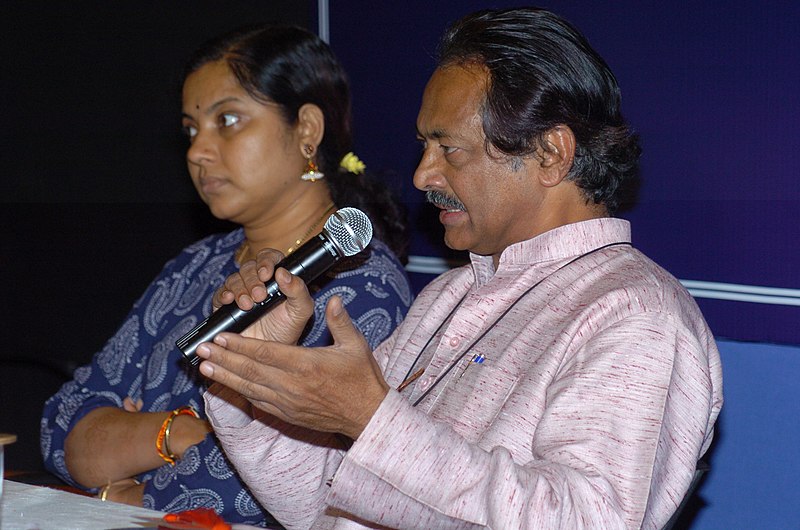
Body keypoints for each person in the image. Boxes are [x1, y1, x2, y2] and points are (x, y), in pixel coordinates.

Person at [196, 7, 723, 530]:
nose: (423, 175)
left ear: (550, 153)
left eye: (450, 148)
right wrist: (255, 372)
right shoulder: (450, 294)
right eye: (424, 147)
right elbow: (322, 506)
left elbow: (588, 520)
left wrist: (371, 418)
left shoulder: (635, 313)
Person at [40, 24, 413, 527]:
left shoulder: (359, 288)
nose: (197, 151)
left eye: (228, 119)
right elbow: (63, 422)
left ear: (306, 129)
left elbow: (247, 487)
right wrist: (175, 432)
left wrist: (121, 481)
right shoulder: (196, 264)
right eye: (191, 129)